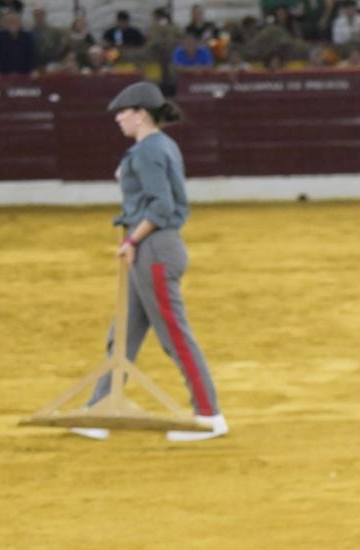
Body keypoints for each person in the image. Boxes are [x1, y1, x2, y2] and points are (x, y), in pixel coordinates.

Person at [79, 82, 228, 444]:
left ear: (141, 114)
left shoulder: (149, 150)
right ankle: (100, 409)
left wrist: (132, 239)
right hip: (152, 249)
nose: (118, 118)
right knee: (124, 334)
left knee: (174, 335)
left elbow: (161, 207)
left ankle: (209, 416)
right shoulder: (158, 146)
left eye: (124, 111)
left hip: (154, 250)